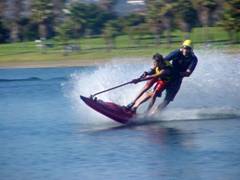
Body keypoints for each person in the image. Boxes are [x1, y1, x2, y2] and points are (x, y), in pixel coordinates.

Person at [149, 39, 198, 115]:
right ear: (182, 48)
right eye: (184, 48)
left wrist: (176, 73)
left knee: (167, 100)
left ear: (191, 50)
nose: (185, 50)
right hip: (166, 77)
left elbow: (188, 73)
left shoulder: (193, 59)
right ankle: (142, 110)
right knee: (154, 93)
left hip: (177, 80)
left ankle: (154, 114)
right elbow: (163, 61)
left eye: (188, 48)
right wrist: (152, 70)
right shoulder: (176, 53)